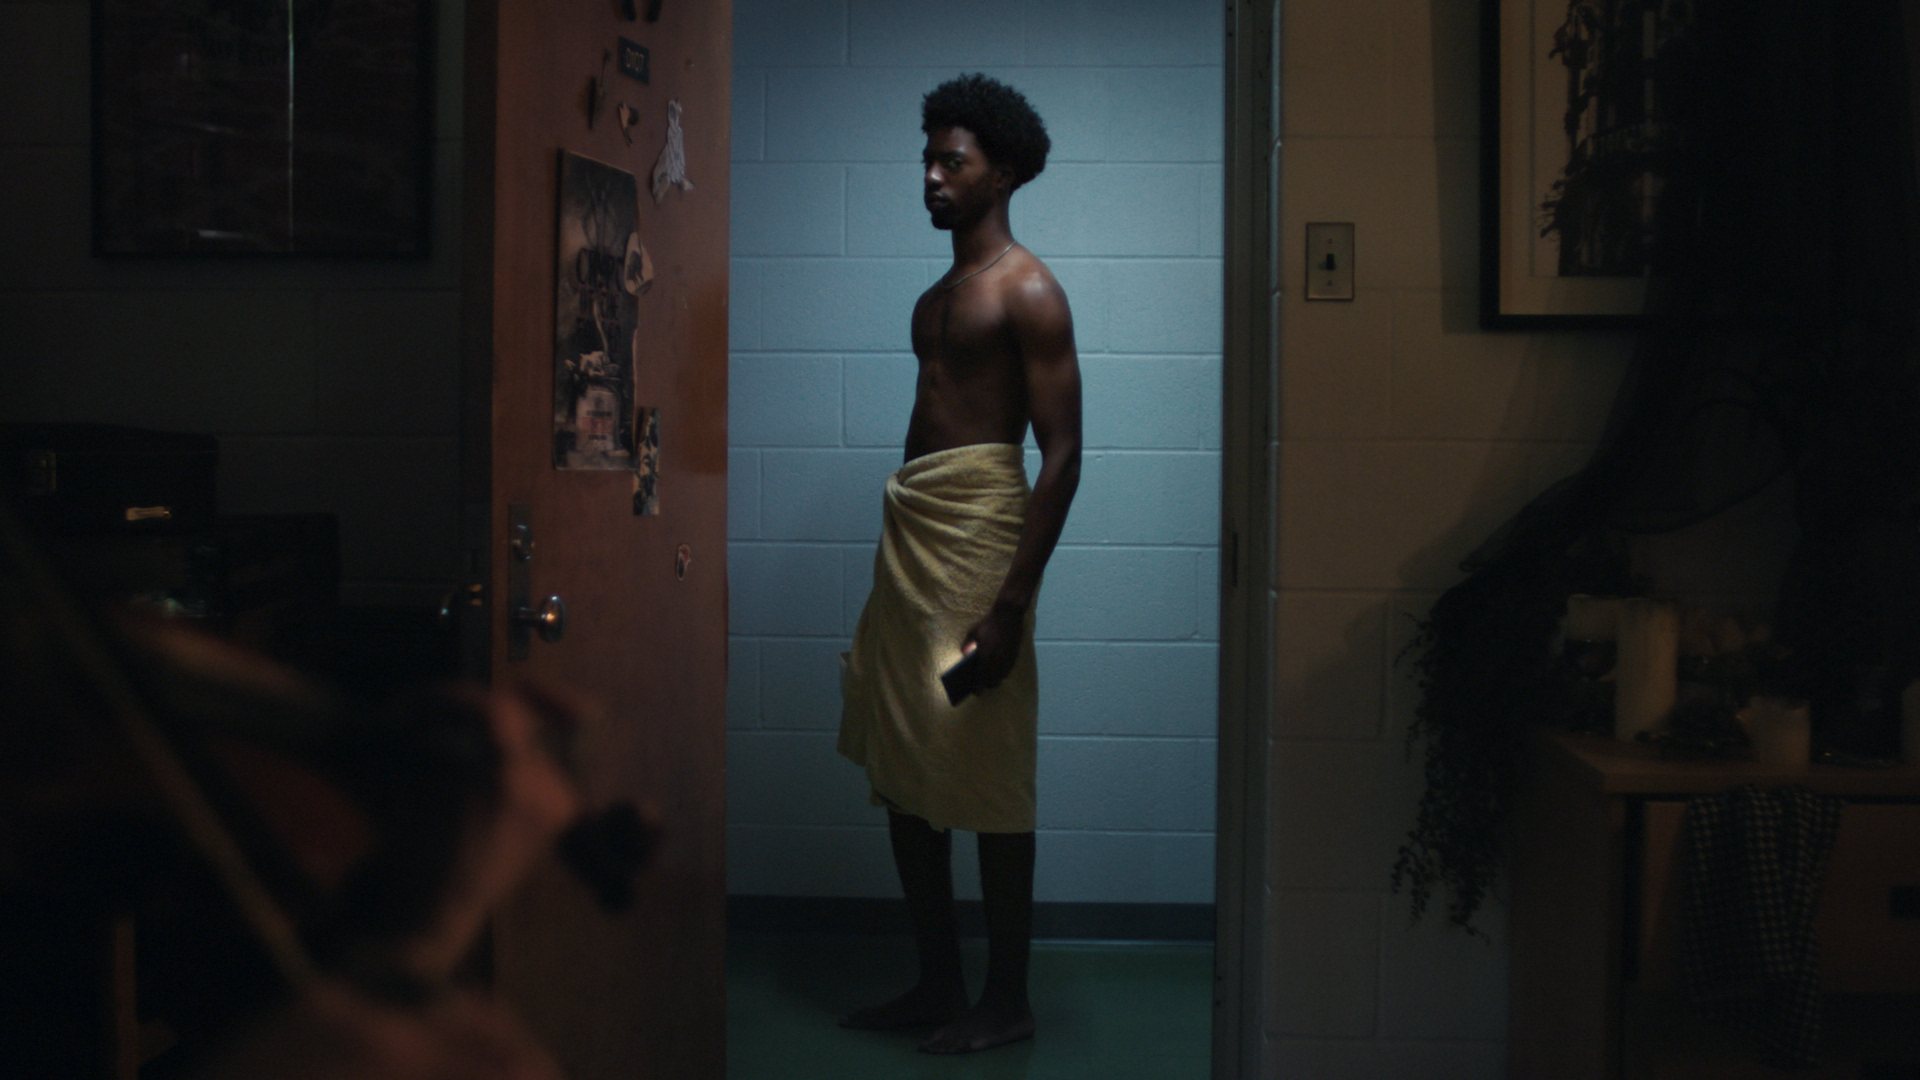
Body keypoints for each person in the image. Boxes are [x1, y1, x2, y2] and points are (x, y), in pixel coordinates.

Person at [836, 72, 1081, 1056]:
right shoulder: (935, 296)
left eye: (953, 161)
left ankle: (1006, 997)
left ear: (1002, 172)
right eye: (928, 161)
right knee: (907, 754)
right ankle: (938, 980)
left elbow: (1062, 453)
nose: (932, 177)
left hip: (979, 541)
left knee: (986, 758)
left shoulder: (1029, 289)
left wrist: (1011, 604)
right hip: (914, 538)